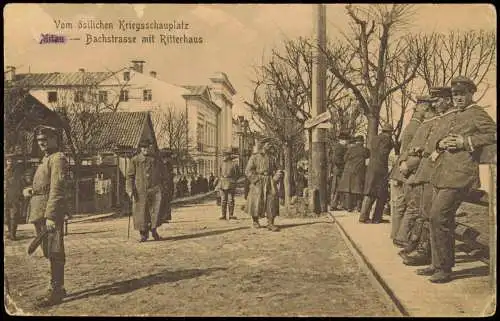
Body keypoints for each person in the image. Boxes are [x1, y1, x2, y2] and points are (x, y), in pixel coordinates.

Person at [419, 76, 496, 283]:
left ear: (472, 94)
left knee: (438, 216)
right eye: (455, 95)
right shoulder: (454, 115)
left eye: (462, 94)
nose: (458, 98)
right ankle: (437, 264)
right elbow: (437, 141)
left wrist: (466, 141)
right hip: (442, 174)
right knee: (434, 217)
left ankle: (444, 268)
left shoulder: (477, 113)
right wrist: (440, 144)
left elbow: (493, 135)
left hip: (461, 176)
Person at [397, 87, 452, 266]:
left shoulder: (449, 118)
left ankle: (425, 250)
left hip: (438, 172)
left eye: (437, 101)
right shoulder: (437, 119)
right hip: (426, 170)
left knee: (429, 213)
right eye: (432, 102)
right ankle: (419, 246)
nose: (434, 105)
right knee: (422, 211)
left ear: (447, 100)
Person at [24, 125, 69, 307]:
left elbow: (57, 189)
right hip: (40, 211)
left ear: (54, 139)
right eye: (39, 140)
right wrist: (31, 190)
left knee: (55, 251)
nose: (41, 143)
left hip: (49, 213)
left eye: (45, 139)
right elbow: (44, 185)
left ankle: (56, 290)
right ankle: (57, 287)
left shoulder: (58, 158)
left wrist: (51, 215)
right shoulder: (46, 158)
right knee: (49, 251)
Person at [389, 96, 430, 246]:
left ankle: (396, 234)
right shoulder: (417, 126)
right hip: (407, 169)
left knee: (400, 204)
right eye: (426, 108)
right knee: (408, 205)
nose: (427, 111)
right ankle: (401, 237)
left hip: (401, 168)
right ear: (422, 108)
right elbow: (409, 150)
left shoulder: (411, 125)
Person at [126, 139, 166, 242]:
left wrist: (162, 186)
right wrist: (130, 189)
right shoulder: (135, 160)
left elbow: (163, 173)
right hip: (140, 191)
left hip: (154, 189)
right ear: (140, 149)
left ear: (150, 148)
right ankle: (143, 235)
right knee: (141, 213)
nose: (146, 149)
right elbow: (130, 176)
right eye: (143, 148)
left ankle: (154, 231)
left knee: (155, 211)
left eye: (147, 147)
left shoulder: (155, 160)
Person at [245, 139, 284, 231]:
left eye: (270, 144)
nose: (270, 146)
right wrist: (255, 179)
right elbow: (248, 171)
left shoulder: (273, 157)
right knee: (256, 200)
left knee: (272, 199)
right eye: (268, 144)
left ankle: (270, 223)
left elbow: (280, 169)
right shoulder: (254, 157)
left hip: (270, 181)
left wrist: (276, 178)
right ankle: (255, 221)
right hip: (258, 181)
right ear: (263, 145)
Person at [359, 124, 394, 223]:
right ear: (390, 132)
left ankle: (363, 216)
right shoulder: (387, 140)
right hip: (380, 170)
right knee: (382, 194)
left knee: (369, 192)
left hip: (371, 168)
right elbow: (383, 153)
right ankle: (377, 218)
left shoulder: (374, 139)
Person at [337, 136, 370, 212]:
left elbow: (345, 158)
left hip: (348, 171)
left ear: (356, 142)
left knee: (348, 189)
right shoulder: (365, 150)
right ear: (362, 142)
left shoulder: (350, 149)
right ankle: (358, 207)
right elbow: (368, 156)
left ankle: (348, 207)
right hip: (359, 171)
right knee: (359, 190)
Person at [4, 152, 25, 241]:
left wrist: (20, 194)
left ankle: (13, 234)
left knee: (14, 216)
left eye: (12, 161)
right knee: (7, 216)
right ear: (6, 162)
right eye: (8, 161)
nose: (10, 163)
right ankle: (10, 232)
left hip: (14, 196)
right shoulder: (5, 172)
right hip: (6, 196)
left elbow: (21, 184)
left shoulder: (17, 172)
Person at [329, 133, 349, 211]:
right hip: (339, 170)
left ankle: (334, 204)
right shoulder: (340, 148)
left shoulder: (338, 147)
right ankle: (334, 204)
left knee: (337, 187)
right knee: (338, 188)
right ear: (343, 140)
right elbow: (337, 160)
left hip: (337, 170)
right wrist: (344, 165)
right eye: (346, 140)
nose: (347, 142)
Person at [218, 148, 240, 220]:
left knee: (230, 200)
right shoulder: (221, 164)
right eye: (223, 155)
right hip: (222, 183)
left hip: (231, 183)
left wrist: (234, 180)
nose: (224, 157)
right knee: (223, 200)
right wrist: (221, 179)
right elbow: (219, 174)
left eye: (225, 155)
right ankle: (223, 215)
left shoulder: (234, 164)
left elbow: (238, 174)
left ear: (229, 156)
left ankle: (231, 215)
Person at [159, 149, 174, 223]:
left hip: (169, 185)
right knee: (164, 201)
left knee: (167, 201)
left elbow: (170, 176)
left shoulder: (168, 165)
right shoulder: (163, 165)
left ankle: (166, 216)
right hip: (165, 186)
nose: (170, 158)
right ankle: (163, 217)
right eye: (169, 157)